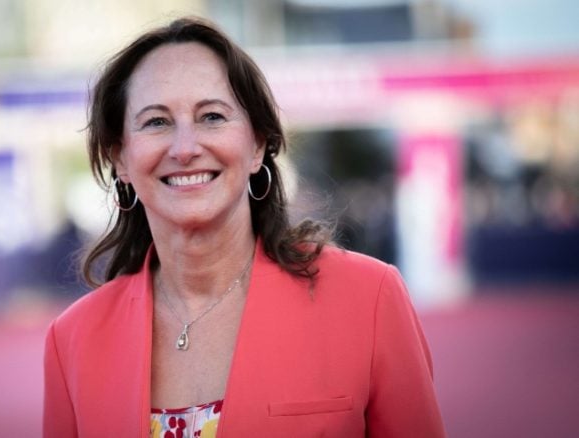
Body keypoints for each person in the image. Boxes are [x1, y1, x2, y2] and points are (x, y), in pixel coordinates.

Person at [43, 16, 446, 438]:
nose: (185, 148)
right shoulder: (72, 340)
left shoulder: (369, 297)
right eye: (156, 122)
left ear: (257, 145)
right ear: (120, 158)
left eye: (212, 116)